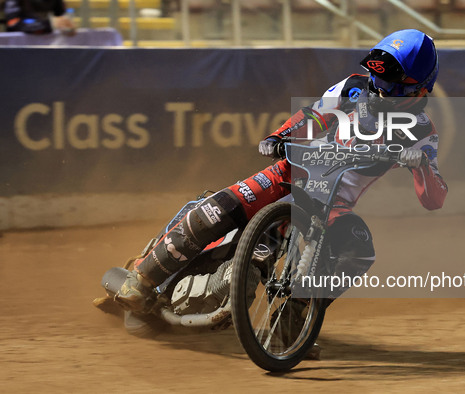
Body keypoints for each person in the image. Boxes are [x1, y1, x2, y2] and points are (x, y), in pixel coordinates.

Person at [116, 28, 448, 312]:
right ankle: (142, 279)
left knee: (358, 251)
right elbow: (315, 117)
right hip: (289, 175)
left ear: (419, 89)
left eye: (390, 83)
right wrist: (279, 136)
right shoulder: (354, 87)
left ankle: (294, 321)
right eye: (377, 76)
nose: (379, 87)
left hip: (333, 205)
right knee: (223, 207)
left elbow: (434, 199)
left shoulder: (422, 131)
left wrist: (421, 167)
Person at [3, 0, 75, 34]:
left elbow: (61, 15)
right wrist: (38, 27)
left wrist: (66, 26)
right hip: (18, 44)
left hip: (46, 43)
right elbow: (12, 22)